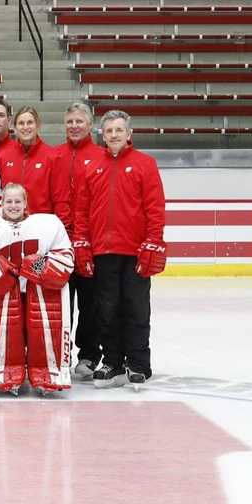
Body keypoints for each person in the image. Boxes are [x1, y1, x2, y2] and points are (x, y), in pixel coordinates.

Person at [72, 110, 167, 392]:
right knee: (107, 311)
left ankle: (137, 363)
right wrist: (82, 243)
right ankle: (112, 361)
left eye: (118, 130)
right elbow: (81, 211)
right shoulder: (92, 166)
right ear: (103, 134)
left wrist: (153, 240)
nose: (113, 134)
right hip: (103, 251)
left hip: (136, 252)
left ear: (129, 134)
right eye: (109, 130)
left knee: (137, 310)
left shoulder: (145, 164)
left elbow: (155, 208)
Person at [0, 183, 74, 396]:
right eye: (9, 201)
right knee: (3, 310)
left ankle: (48, 371)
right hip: (2, 295)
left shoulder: (48, 224)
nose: (13, 206)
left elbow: (66, 256)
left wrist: (40, 267)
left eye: (18, 201)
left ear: (25, 203)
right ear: (2, 204)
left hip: (38, 293)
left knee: (45, 316)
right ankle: (4, 372)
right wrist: (1, 275)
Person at [51, 102, 103, 380]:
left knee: (90, 302)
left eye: (79, 121)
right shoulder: (54, 155)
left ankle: (89, 355)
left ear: (90, 124)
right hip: (58, 242)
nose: (74, 126)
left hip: (90, 242)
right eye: (69, 121)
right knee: (60, 302)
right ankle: (60, 352)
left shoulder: (101, 156)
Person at [0, 107, 71, 226]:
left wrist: (65, 229)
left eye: (30, 122)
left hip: (41, 227)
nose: (25, 127)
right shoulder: (3, 157)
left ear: (38, 125)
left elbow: (60, 200)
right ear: (15, 127)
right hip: (9, 227)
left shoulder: (53, 157)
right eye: (21, 123)